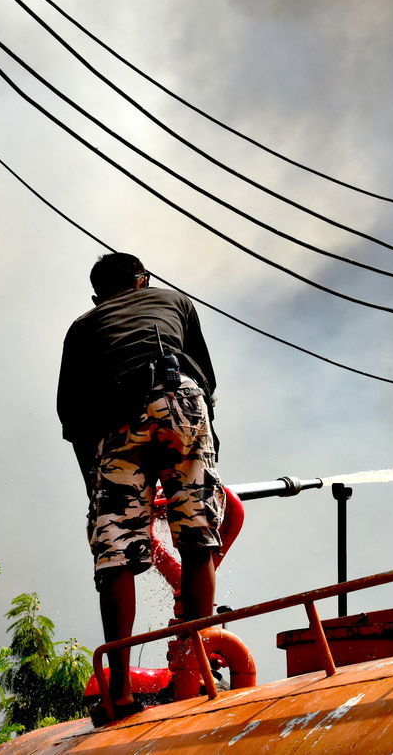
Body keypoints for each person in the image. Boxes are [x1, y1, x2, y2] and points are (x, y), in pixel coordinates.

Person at [57, 253, 223, 725]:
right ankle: (201, 671)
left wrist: (99, 490)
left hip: (120, 417)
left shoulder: (83, 326)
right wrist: (202, 450)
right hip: (184, 401)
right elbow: (206, 382)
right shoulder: (175, 300)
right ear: (142, 281)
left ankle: (121, 691)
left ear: (97, 297)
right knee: (196, 537)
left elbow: (72, 419)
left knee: (115, 556)